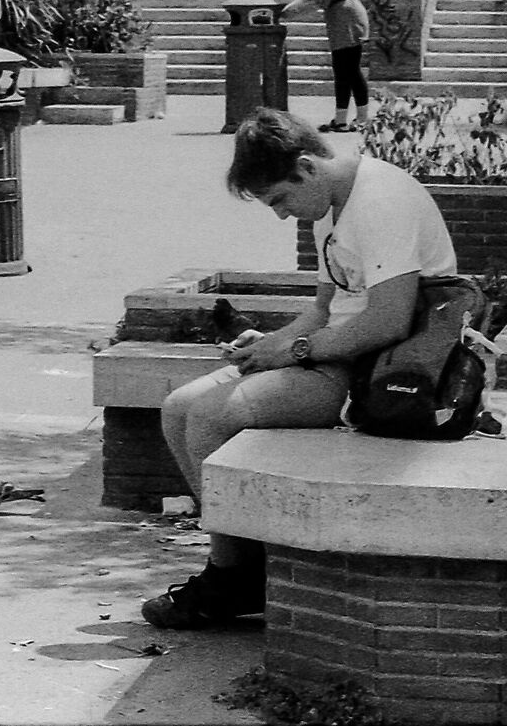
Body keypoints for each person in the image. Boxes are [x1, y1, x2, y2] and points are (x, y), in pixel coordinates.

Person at [144, 108, 464, 630]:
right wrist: (270, 342)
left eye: (280, 199)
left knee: (208, 417)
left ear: (307, 168)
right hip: (335, 357)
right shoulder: (333, 208)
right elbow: (322, 310)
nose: (281, 214)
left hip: (377, 377)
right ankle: (245, 562)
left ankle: (230, 576)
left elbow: (388, 320)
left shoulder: (380, 201)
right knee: (178, 408)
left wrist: (293, 353)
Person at [280, 0, 370, 132]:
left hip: (346, 16)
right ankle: (341, 119)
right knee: (343, 69)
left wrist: (294, 13)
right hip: (339, 15)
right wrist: (287, 9)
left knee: (349, 69)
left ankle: (360, 118)